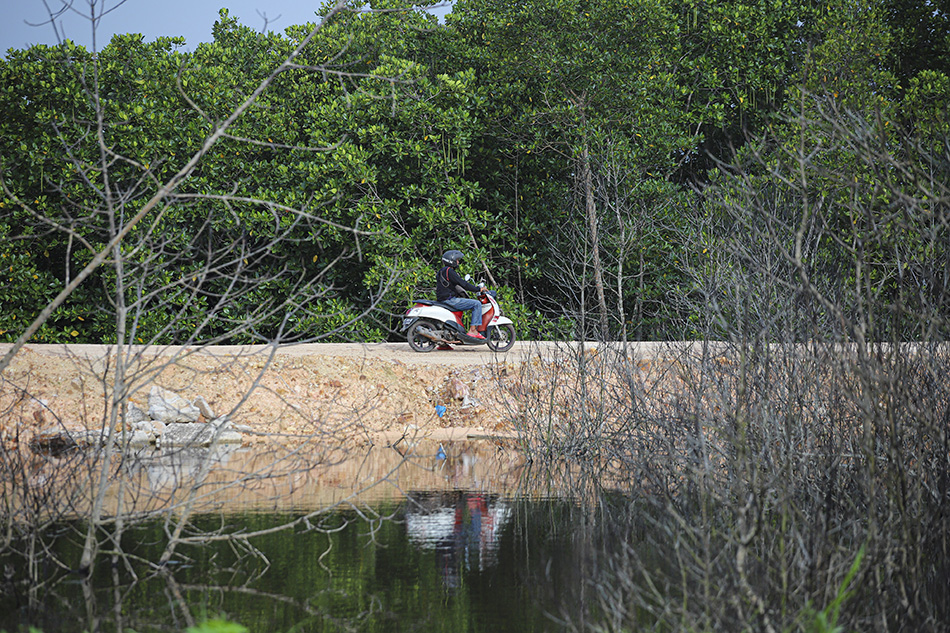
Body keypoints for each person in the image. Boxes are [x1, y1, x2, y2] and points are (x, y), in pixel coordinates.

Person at [437, 249, 487, 340]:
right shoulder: (450, 271)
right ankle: (473, 330)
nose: (458, 262)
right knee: (476, 304)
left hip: (443, 299)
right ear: (451, 261)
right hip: (450, 300)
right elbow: (463, 284)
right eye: (457, 260)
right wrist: (478, 289)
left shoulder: (442, 271)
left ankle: (445, 342)